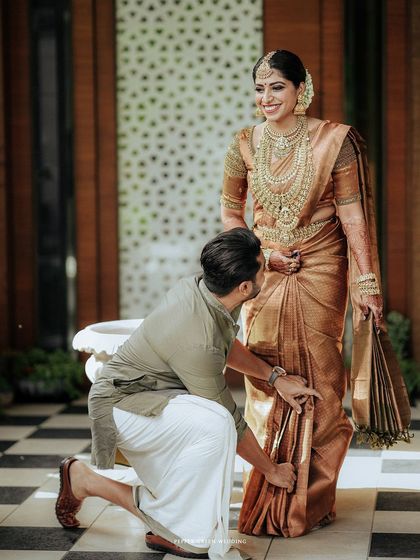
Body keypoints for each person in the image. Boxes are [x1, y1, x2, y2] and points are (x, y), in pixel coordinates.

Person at [55, 228, 321, 560]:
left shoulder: (207, 289)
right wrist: (271, 470)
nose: (266, 270)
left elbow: (221, 345)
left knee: (209, 437)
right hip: (124, 410)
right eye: (262, 267)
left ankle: (158, 513)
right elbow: (231, 420)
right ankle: (91, 482)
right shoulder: (198, 340)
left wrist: (273, 377)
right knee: (217, 427)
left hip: (153, 399)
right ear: (244, 287)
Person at [220, 50, 384, 538]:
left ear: (301, 89)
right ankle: (270, 485)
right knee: (266, 376)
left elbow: (353, 218)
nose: (266, 98)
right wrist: (260, 257)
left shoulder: (336, 141)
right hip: (265, 272)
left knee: (324, 377)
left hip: (321, 267)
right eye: (259, 89)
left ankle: (311, 498)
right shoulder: (244, 144)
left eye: (277, 87)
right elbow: (231, 214)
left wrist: (367, 280)